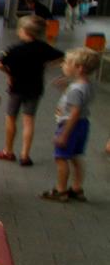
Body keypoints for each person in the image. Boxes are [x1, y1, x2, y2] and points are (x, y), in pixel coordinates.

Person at [0, 15, 62, 166]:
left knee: (11, 118)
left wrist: (8, 73)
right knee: (29, 120)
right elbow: (62, 57)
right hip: (35, 88)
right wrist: (47, 65)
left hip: (16, 88)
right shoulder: (44, 48)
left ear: (24, 31)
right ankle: (25, 155)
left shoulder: (15, 49)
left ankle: (8, 151)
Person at [41, 47, 98, 201]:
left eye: (66, 63)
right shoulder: (88, 84)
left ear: (79, 68)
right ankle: (77, 187)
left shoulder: (75, 90)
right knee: (75, 156)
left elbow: (74, 112)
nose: (62, 65)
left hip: (69, 126)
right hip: (83, 125)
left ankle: (61, 190)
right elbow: (80, 100)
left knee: (61, 158)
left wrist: (64, 134)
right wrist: (67, 87)